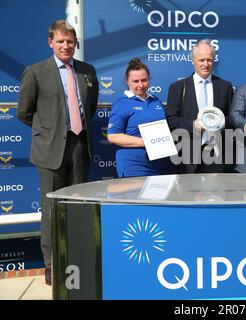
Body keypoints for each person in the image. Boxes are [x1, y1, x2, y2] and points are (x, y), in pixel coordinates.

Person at [17, 20, 99, 285]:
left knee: (78, 208)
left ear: (76, 43)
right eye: (60, 41)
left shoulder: (87, 71)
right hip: (50, 150)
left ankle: (76, 259)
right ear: (51, 42)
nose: (66, 46)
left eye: (70, 41)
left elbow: (90, 106)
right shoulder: (36, 71)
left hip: (80, 147)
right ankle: (53, 265)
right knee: (52, 211)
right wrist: (51, 130)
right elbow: (24, 112)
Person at [165, 39, 234, 173]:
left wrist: (220, 122)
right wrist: (193, 125)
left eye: (209, 60)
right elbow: (171, 120)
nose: (205, 64)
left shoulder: (225, 86)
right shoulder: (177, 88)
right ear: (193, 61)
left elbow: (231, 118)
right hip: (187, 157)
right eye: (201, 60)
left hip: (217, 155)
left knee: (216, 194)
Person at [107, 58, 173, 177]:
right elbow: (113, 136)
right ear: (127, 81)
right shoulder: (121, 103)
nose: (140, 85)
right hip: (133, 163)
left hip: (160, 162)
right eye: (135, 81)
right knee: (137, 195)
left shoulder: (156, 101)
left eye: (144, 80)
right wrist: (146, 142)